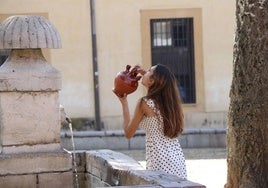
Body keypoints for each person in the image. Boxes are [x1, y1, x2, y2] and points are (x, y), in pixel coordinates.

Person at [113, 64, 187, 179]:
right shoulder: (171, 104)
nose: (144, 71)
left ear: (153, 80)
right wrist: (145, 74)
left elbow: (128, 132)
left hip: (160, 163)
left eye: (148, 71)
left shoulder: (145, 103)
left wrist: (124, 103)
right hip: (177, 162)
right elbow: (157, 84)